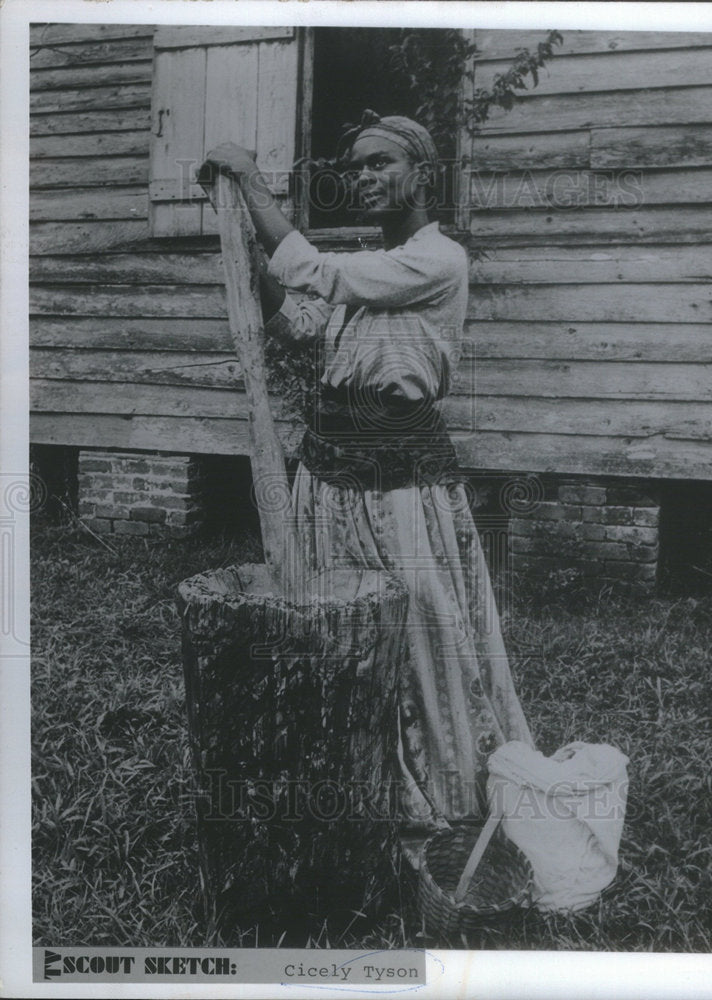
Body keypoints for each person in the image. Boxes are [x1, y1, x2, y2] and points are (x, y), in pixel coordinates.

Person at [200, 113, 534, 833]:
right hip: (326, 475)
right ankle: (349, 777)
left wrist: (252, 184)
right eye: (355, 168)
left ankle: (435, 785)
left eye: (381, 164)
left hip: (399, 481)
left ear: (423, 175)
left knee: (417, 622)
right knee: (336, 628)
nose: (364, 179)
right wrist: (244, 247)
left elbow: (314, 272)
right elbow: (298, 320)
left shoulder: (435, 261)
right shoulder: (363, 273)